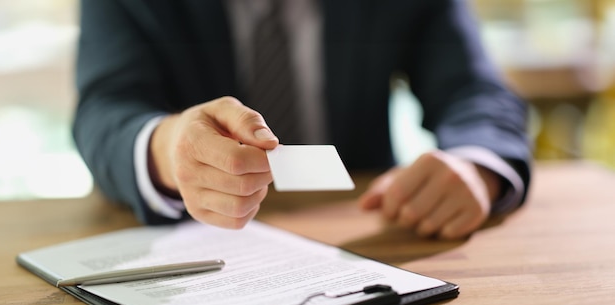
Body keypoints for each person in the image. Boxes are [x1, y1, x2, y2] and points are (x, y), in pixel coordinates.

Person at [73, 0, 532, 240]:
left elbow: (475, 91)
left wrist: (478, 165)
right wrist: (169, 148)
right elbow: (106, 108)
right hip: (192, 240)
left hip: (368, 227)